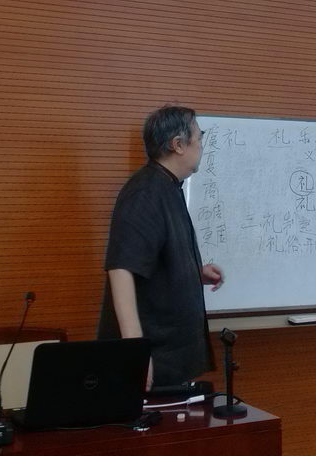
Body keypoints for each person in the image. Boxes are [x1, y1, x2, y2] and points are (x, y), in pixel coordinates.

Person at [98, 105, 223, 390]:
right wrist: (136, 352)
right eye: (198, 137)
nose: (201, 145)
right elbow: (121, 268)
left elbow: (153, 258)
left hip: (172, 356)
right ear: (178, 145)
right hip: (152, 359)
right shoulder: (145, 192)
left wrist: (194, 273)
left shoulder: (169, 187)